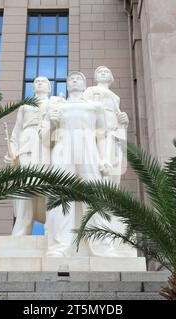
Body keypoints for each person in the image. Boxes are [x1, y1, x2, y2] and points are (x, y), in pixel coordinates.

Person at [45, 71, 116, 257]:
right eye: (71, 78)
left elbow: (102, 135)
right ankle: (59, 246)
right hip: (62, 149)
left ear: (84, 85)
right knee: (60, 195)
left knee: (94, 192)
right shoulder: (58, 107)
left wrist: (105, 158)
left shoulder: (95, 106)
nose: (74, 80)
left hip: (88, 149)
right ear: (67, 85)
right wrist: (52, 123)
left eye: (78, 78)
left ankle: (102, 244)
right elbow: (45, 140)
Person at [4, 76, 52, 235]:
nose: (39, 83)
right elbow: (16, 133)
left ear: (49, 88)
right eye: (36, 82)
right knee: (26, 186)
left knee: (50, 185)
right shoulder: (25, 107)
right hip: (27, 145)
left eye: (44, 82)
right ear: (32, 88)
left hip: (47, 146)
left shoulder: (55, 103)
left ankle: (52, 228)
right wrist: (12, 151)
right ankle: (23, 227)